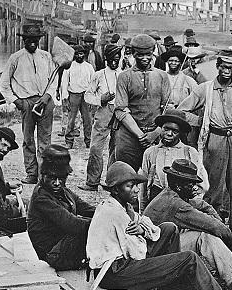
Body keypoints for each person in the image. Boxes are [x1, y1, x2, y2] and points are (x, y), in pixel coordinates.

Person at [87, 161, 232, 290]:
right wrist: (144, 234)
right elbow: (138, 253)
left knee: (169, 229)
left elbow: (153, 229)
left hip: (123, 264)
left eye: (136, 185)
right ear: (116, 189)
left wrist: (143, 228)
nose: (135, 190)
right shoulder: (115, 214)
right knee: (189, 259)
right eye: (130, 186)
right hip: (115, 273)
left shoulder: (123, 206)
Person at [143, 160, 232, 290]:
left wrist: (211, 213)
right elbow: (215, 228)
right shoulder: (177, 205)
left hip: (156, 251)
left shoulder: (169, 195)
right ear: (179, 186)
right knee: (204, 236)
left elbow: (202, 206)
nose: (195, 188)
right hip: (155, 260)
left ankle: (230, 269)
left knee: (201, 233)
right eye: (191, 184)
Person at [179, 50, 232, 227]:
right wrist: (201, 121)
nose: (227, 71)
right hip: (214, 139)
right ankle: (213, 224)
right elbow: (182, 110)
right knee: (213, 184)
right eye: (224, 67)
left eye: (231, 68)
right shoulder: (204, 89)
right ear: (218, 66)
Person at [0, 20, 59, 184]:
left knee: (45, 141)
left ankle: (43, 176)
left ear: (39, 40)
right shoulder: (15, 58)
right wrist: (16, 101)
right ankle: (32, 174)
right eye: (28, 39)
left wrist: (48, 96)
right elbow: (4, 83)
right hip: (27, 103)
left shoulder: (46, 57)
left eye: (35, 39)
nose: (32, 42)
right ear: (23, 40)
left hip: (45, 102)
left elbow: (54, 79)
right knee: (28, 140)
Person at [26, 144, 95, 269]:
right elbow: (72, 224)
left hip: (62, 245)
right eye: (52, 178)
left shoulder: (63, 191)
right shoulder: (41, 197)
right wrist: (102, 223)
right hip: (52, 255)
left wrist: (108, 213)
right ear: (43, 175)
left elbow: (85, 208)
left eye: (61, 178)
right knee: (85, 230)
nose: (57, 183)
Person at [113, 33, 170, 172]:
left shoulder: (162, 76)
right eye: (140, 55)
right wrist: (140, 135)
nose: (145, 58)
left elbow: (168, 107)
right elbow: (121, 109)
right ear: (133, 53)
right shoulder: (124, 77)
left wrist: (155, 133)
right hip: (129, 135)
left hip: (155, 134)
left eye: (148, 54)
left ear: (153, 53)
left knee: (155, 178)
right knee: (125, 175)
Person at [139, 109, 206, 209]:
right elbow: (143, 185)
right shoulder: (151, 152)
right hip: (156, 204)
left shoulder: (190, 152)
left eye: (175, 131)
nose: (169, 134)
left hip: (181, 204)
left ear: (180, 133)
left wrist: (192, 205)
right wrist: (143, 210)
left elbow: (201, 185)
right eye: (166, 129)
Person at [84, 43, 123, 189]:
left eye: (117, 59)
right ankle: (92, 181)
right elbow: (87, 95)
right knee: (95, 147)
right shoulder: (98, 75)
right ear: (106, 59)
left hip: (120, 111)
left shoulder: (124, 75)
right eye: (112, 59)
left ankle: (112, 182)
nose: (114, 62)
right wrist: (101, 99)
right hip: (104, 111)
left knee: (116, 148)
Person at [60, 45, 96, 149]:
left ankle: (89, 141)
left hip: (85, 95)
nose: (79, 56)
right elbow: (64, 82)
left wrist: (92, 97)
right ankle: (69, 141)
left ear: (84, 54)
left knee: (88, 120)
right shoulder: (69, 66)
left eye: (81, 53)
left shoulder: (88, 67)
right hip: (73, 95)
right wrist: (65, 98)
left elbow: (93, 82)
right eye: (77, 53)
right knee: (71, 119)